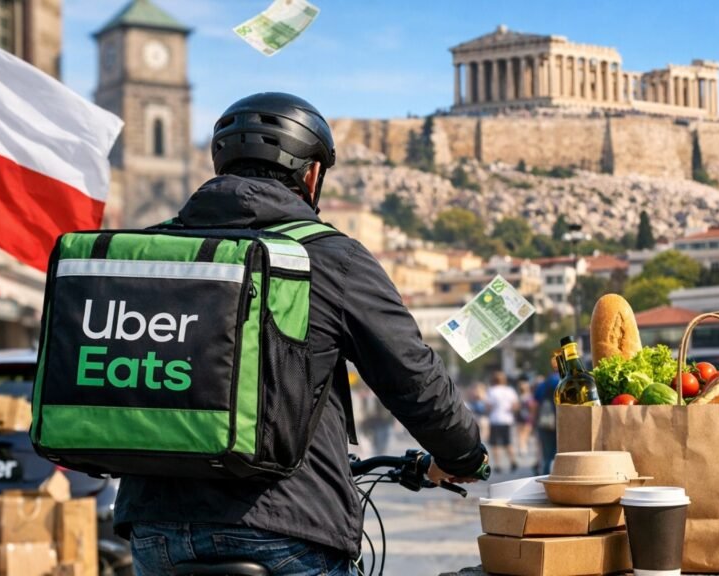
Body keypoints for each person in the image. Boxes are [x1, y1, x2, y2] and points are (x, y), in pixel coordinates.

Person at [114, 93, 487, 576]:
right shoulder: (332, 257)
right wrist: (463, 453)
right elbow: (413, 377)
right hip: (284, 526)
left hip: (154, 529)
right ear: (311, 174)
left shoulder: (155, 251)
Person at [485, 371, 519, 473]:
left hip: (495, 419)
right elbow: (516, 405)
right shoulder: (510, 390)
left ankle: (498, 465)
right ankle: (513, 461)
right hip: (507, 419)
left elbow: (488, 407)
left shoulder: (491, 391)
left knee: (495, 444)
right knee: (508, 442)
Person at [534, 357, 561, 475]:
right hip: (564, 422)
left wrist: (534, 421)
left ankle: (546, 477)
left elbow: (535, 403)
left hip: (545, 421)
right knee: (561, 453)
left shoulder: (544, 383)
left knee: (547, 454)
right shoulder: (566, 381)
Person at [516, 379, 535, 458]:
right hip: (528, 417)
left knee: (521, 434)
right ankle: (524, 448)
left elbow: (516, 407)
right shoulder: (530, 397)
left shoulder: (519, 397)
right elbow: (532, 407)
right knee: (526, 434)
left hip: (520, 416)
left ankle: (522, 448)